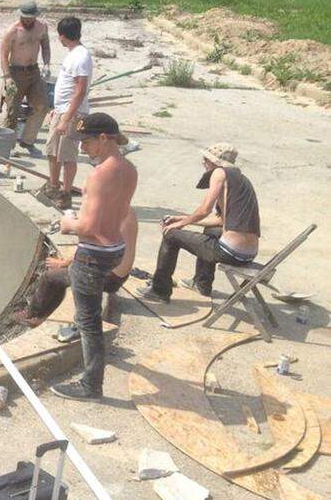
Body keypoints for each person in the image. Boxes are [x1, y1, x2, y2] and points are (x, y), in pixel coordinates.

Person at [49, 113, 136, 402]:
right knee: (86, 311)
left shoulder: (99, 174)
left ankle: (91, 385)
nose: (83, 148)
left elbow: (86, 227)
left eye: (87, 142)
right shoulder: (129, 168)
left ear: (104, 138)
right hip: (114, 249)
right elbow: (120, 212)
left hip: (93, 254)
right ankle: (78, 324)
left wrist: (68, 224)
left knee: (90, 324)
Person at [139, 143, 260, 303]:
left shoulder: (219, 172)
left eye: (206, 159)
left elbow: (205, 210)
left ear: (215, 162)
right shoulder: (241, 180)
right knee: (211, 230)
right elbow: (221, 219)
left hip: (231, 252)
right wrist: (183, 219)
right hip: (248, 253)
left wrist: (178, 225)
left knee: (171, 235)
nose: (204, 162)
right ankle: (201, 284)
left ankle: (159, 290)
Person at [15, 208, 137, 326]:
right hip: (120, 274)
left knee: (50, 277)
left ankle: (32, 315)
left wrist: (63, 263)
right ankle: (43, 314)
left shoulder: (108, 214)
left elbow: (89, 251)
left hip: (108, 278)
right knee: (61, 279)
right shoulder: (126, 210)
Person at [43, 16, 92, 210]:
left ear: (63, 36)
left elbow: (80, 91)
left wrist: (67, 118)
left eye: (59, 36)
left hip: (73, 114)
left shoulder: (81, 57)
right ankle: (53, 186)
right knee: (52, 151)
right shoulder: (73, 53)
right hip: (62, 110)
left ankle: (65, 193)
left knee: (67, 155)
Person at [0, 1, 51, 157]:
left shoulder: (42, 27)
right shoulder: (13, 31)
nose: (28, 21)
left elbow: (45, 46)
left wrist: (47, 63)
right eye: (25, 18)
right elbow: (3, 54)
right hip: (15, 72)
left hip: (34, 71)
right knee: (12, 110)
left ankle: (28, 140)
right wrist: (7, 77)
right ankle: (7, 145)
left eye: (31, 18)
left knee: (42, 106)